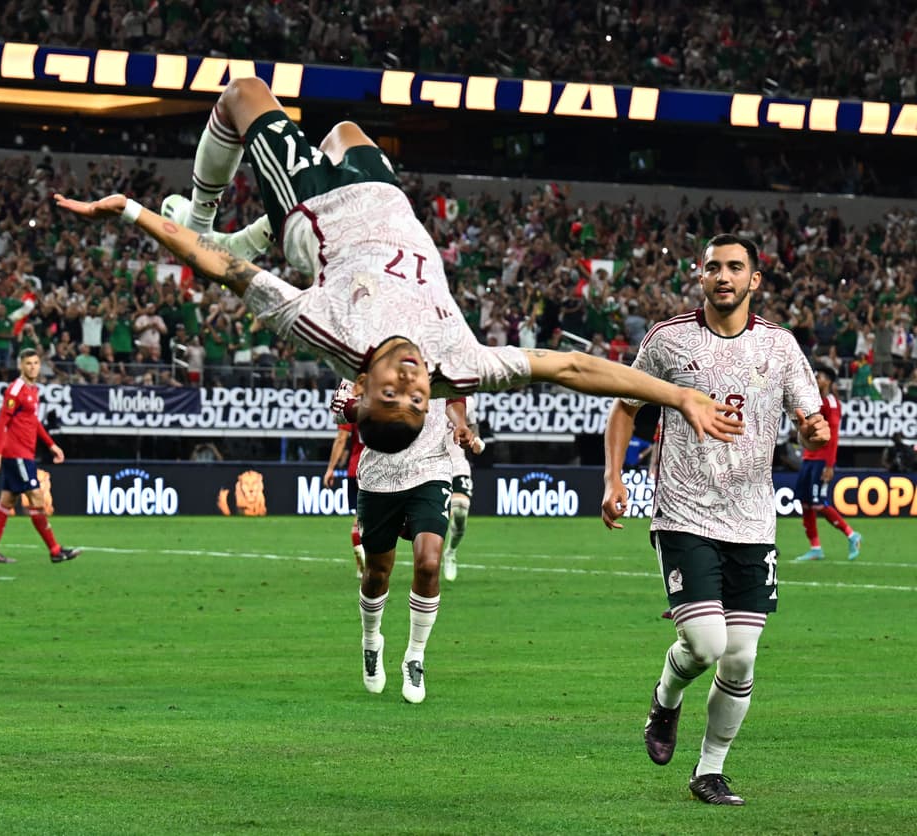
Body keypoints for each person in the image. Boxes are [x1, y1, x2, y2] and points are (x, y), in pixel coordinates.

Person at [55, 78, 743, 454]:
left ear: (360, 389)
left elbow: (221, 275)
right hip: (384, 196)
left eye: (393, 395)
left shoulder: (330, 331)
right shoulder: (460, 366)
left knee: (243, 94)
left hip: (313, 208)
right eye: (417, 403)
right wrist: (677, 396)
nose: (412, 387)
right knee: (345, 129)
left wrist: (134, 213)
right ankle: (250, 227)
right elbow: (571, 369)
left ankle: (212, 217)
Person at [601, 234, 830, 806]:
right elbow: (624, 405)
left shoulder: (779, 346)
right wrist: (612, 479)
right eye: (713, 267)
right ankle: (666, 697)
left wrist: (813, 431)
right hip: (685, 512)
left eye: (734, 267)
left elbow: (810, 419)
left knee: (741, 655)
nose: (723, 276)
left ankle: (710, 770)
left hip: (752, 520)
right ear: (700, 276)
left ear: (755, 279)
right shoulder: (668, 339)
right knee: (705, 645)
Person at [334, 386, 478, 704]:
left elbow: (453, 397)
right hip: (378, 477)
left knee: (428, 564)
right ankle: (371, 641)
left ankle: (415, 656)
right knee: (377, 572)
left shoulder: (439, 358)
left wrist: (460, 424)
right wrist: (384, 408)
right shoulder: (365, 362)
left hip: (431, 471)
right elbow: (340, 408)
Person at [0, 348, 81, 564]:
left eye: (36, 363)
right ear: (21, 365)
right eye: (28, 363)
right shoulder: (16, 389)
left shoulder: (33, 389)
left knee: (7, 500)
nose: (33, 367)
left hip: (24, 452)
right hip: (16, 453)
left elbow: (33, 421)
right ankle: (55, 550)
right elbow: (2, 422)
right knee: (36, 498)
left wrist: (51, 444)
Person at [793, 365, 863, 562]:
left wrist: (830, 465)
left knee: (818, 504)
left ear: (829, 381)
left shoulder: (831, 403)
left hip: (822, 460)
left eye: (821, 377)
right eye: (816, 376)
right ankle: (815, 548)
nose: (817, 379)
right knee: (805, 503)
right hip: (808, 458)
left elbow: (833, 435)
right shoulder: (814, 401)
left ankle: (852, 535)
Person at [322, 386, 365, 579]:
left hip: (356, 469)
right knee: (378, 521)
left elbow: (341, 438)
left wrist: (331, 468)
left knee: (359, 519)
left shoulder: (351, 406)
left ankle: (360, 560)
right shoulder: (383, 402)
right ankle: (369, 560)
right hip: (379, 469)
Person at [441, 417, 485, 582]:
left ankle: (450, 552)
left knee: (460, 511)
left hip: (457, 464)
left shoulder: (468, 403)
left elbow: (472, 428)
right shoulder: (423, 401)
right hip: (428, 466)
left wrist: (477, 441)